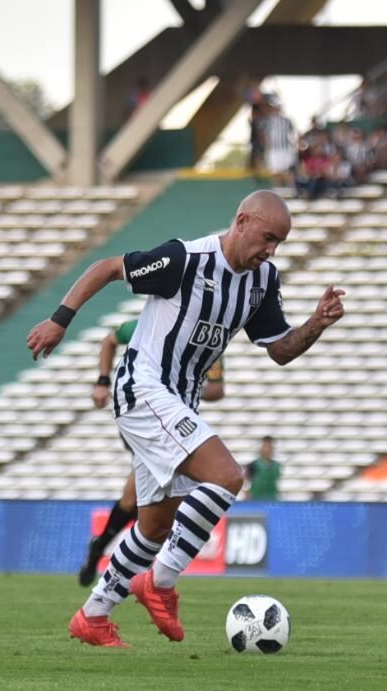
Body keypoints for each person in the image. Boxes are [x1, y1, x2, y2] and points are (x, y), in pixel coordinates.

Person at [27, 190, 345, 648]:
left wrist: (316, 323)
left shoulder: (261, 281)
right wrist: (60, 320)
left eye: (280, 243)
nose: (271, 250)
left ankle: (93, 615)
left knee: (155, 525)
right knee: (227, 476)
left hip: (180, 402)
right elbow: (109, 268)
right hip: (143, 388)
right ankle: (159, 581)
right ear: (242, 221)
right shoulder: (186, 259)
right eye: (268, 237)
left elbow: (279, 350)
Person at [77, 320, 225, 587]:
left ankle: (103, 549)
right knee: (153, 491)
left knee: (134, 496)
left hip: (177, 421)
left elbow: (218, 388)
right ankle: (138, 566)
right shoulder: (149, 325)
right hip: (145, 415)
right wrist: (102, 381)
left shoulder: (209, 336)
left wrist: (185, 385)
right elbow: (110, 341)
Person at [244, 435, 281, 501]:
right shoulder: (253, 465)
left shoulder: (277, 465)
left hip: (272, 500)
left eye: (270, 446)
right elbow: (245, 481)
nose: (268, 449)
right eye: (266, 446)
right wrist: (247, 494)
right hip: (256, 501)